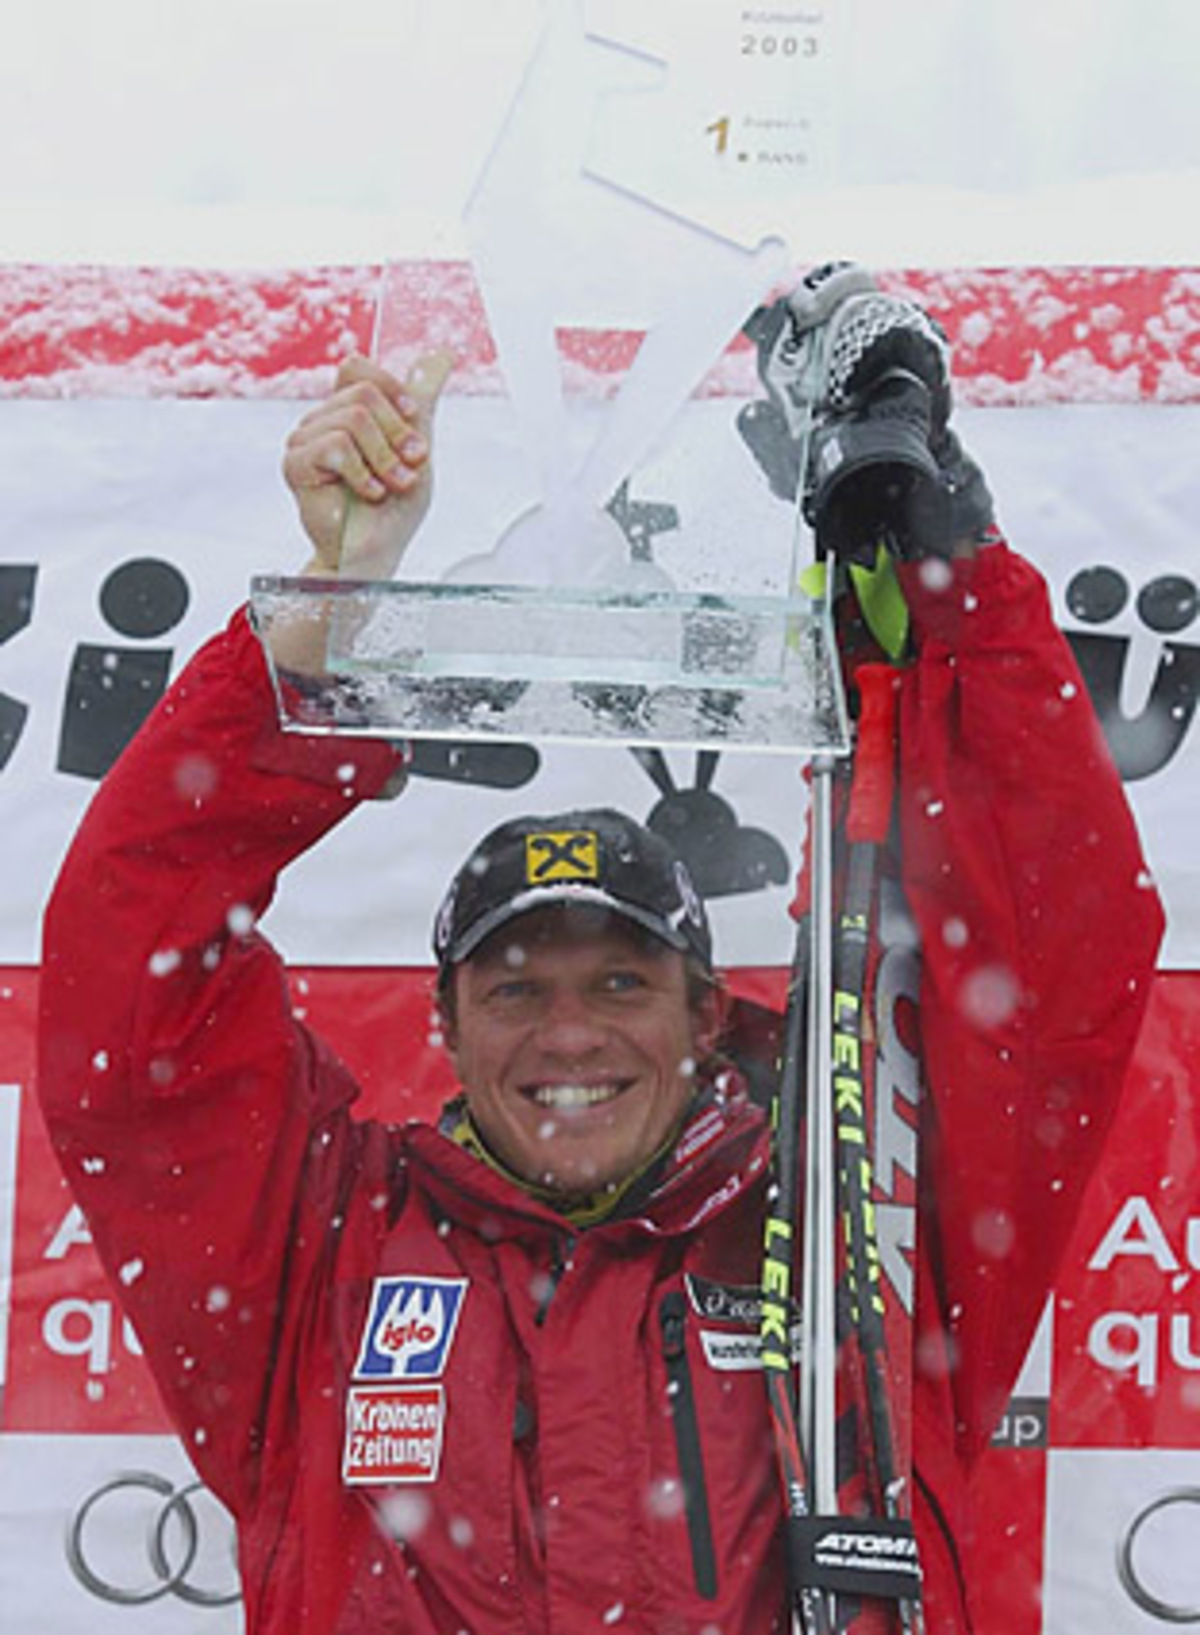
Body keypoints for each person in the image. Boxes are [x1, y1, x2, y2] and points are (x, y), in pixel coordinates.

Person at [38, 270, 1163, 1635]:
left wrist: (952, 571)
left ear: (706, 1015)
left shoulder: (860, 1235)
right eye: (515, 987)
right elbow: (128, 982)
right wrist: (322, 629)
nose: (568, 1032)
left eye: (621, 982)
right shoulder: (321, 1259)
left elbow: (1055, 945)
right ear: (443, 1027)